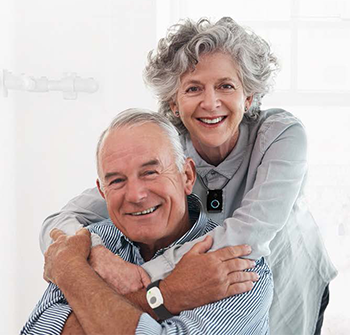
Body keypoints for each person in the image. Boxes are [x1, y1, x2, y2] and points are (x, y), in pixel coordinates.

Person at [39, 17, 337, 335]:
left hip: (286, 272)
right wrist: (97, 255)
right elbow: (60, 221)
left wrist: (149, 277)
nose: (210, 103)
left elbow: (249, 233)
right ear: (175, 104)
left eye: (226, 86)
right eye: (193, 88)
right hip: (204, 280)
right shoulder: (168, 148)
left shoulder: (281, 134)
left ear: (248, 98)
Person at [22, 109, 273, 335]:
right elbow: (37, 331)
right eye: (117, 181)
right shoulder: (84, 245)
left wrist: (71, 274)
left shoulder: (238, 264)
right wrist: (166, 296)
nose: (136, 195)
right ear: (102, 192)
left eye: (150, 172)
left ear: (187, 176)